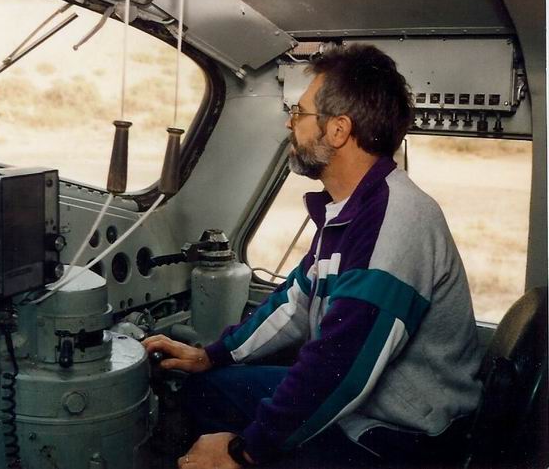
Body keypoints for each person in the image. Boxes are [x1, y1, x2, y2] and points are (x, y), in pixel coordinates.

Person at [144, 44, 484, 469]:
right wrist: (212, 355)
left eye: (300, 113)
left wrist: (243, 452)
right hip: (368, 402)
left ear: (338, 130)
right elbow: (294, 303)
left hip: (402, 435)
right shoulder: (351, 210)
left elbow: (343, 364)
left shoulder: (395, 221)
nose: (291, 123)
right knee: (205, 388)